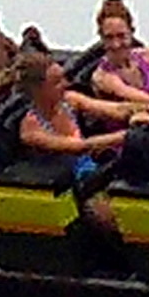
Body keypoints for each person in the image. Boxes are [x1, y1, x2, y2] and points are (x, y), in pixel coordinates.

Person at [15, 49, 128, 230]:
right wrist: (125, 136)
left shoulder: (69, 101)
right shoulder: (31, 129)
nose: (66, 85)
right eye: (57, 82)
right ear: (38, 90)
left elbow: (116, 110)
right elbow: (79, 147)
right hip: (74, 191)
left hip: (100, 174)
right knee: (113, 217)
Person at [87, 0, 149, 110]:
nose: (116, 44)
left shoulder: (142, 56)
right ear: (101, 38)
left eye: (121, 36)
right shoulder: (104, 77)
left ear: (131, 33)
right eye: (109, 38)